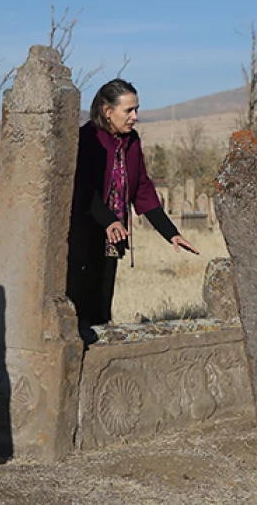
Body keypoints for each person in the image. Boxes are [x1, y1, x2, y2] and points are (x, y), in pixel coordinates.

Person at [66, 78, 198, 344]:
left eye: (136, 109)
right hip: (83, 235)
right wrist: (108, 221)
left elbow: (142, 189)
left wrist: (171, 233)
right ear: (107, 110)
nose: (135, 117)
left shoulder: (131, 142)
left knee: (102, 309)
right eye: (129, 111)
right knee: (78, 306)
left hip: (113, 238)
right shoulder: (87, 139)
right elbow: (82, 188)